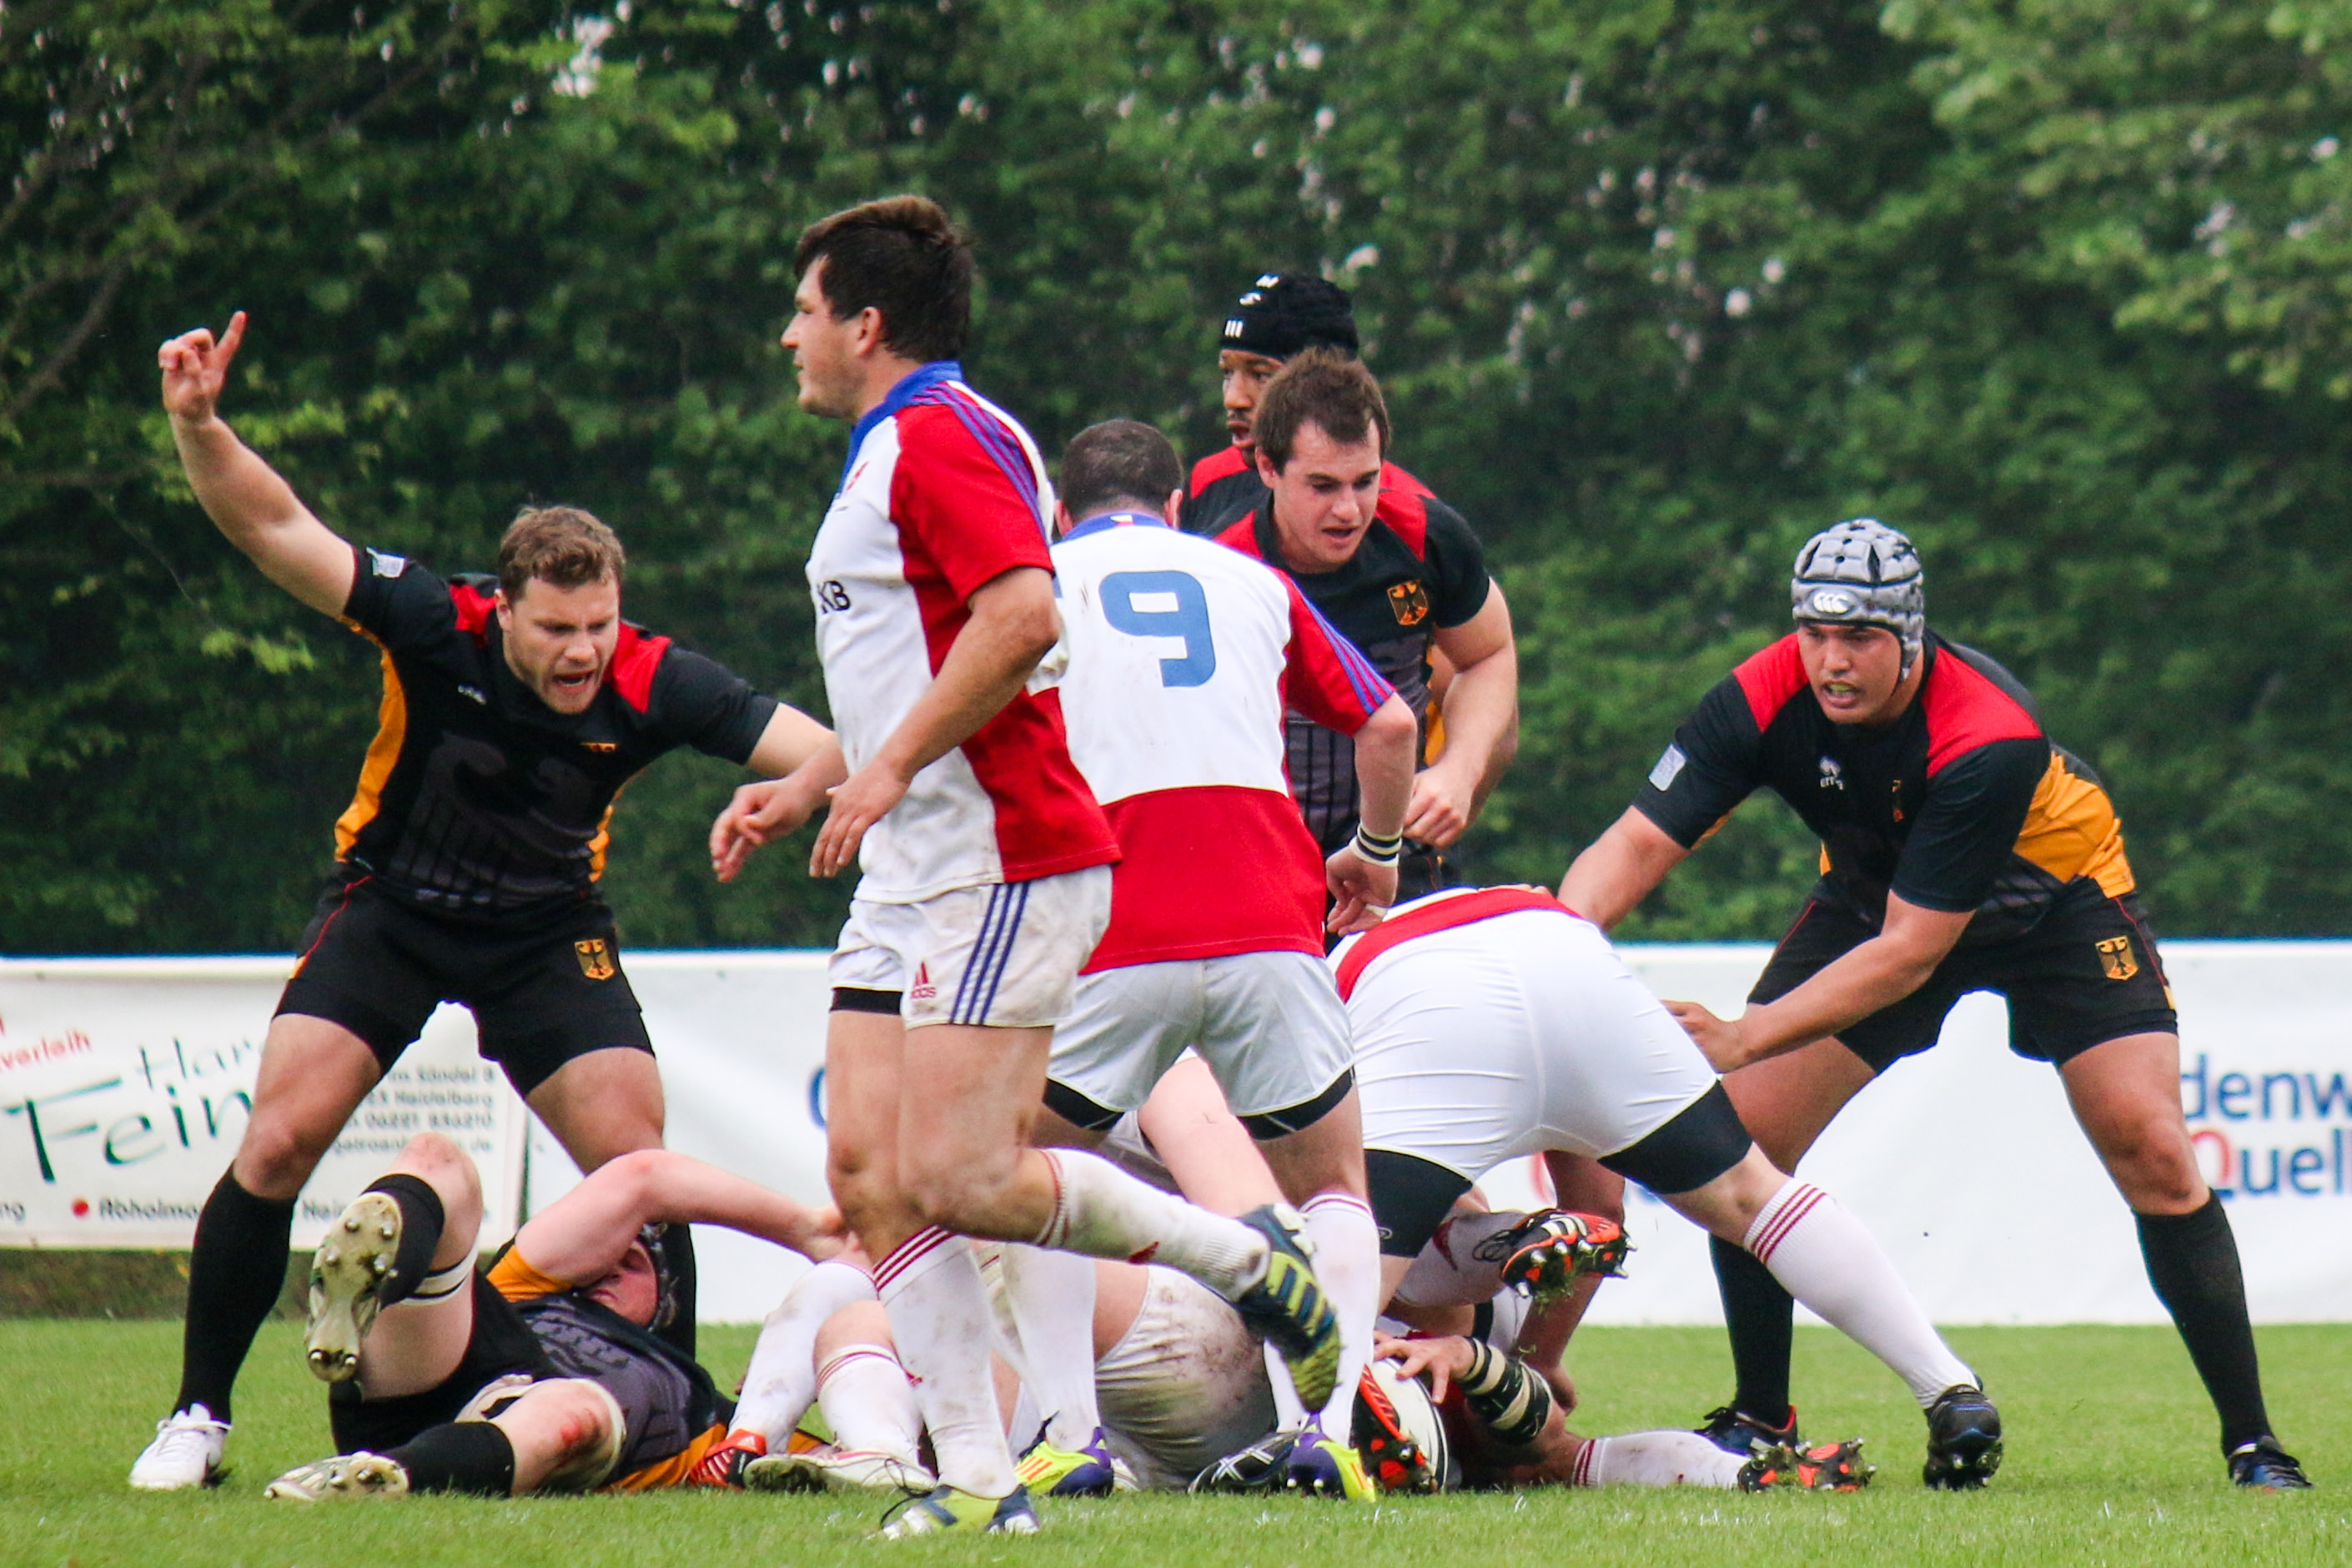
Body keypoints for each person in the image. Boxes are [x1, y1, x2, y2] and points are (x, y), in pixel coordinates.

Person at [131, 314, 845, 1492]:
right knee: (279, 1141)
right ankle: (197, 1418)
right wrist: (199, 424)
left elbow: (829, 745)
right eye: (556, 629)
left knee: (638, 1165)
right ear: (503, 608)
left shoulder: (655, 676)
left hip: (546, 931)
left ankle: (669, 1411)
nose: (581, 654)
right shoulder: (432, 622)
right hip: (393, 907)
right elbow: (275, 529)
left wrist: (796, 795)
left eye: (599, 627)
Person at [724, 195, 1344, 1538]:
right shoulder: (917, 438)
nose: (789, 336)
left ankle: (1247, 1260)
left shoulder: (936, 435)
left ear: (866, 325)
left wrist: (884, 771)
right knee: (869, 1179)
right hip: (912, 864)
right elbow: (918, 660)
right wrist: (820, 778)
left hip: (997, 858)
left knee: (967, 1177)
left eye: (804, 310)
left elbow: (1020, 617)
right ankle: (977, 1480)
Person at [1558, 518, 2309, 1492]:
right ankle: (1760, 1417)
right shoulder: (1760, 694)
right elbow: (1635, 841)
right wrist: (1560, 947)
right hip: (1876, 898)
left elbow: (1912, 953)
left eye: (1862, 636)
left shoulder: (1987, 731)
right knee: (1739, 1146)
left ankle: (2255, 1443)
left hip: (2052, 901)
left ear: (1912, 635)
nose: (1833, 660)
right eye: (1816, 633)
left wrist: (1745, 1034)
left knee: (2155, 1150)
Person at [1007, 418, 1416, 1500]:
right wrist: (1375, 854)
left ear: (1060, 513)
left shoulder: (1038, 584)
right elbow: (1388, 726)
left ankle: (1069, 1438)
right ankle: (1324, 1435)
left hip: (1115, 916)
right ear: (1180, 504)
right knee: (1332, 1183)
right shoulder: (1250, 580)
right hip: (1269, 914)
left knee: (1024, 1173)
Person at [1334, 884, 2006, 1489]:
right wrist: (1533, 1359)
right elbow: (1598, 1210)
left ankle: (1460, 1302)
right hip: (1552, 937)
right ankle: (1947, 1388)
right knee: (1750, 1194)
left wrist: (1501, 1364)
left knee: (1346, 1282)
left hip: (1415, 984)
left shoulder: (1312, 990)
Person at [259, 1132, 839, 1500]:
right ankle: (366, 1289)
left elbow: (853, 1458)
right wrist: (811, 1231)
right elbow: (642, 1177)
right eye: (605, 1253)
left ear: (668, 1294)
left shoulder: (704, 1409)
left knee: (572, 1410)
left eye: (631, 1263)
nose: (607, 1264)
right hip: (429, 1368)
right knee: (437, 1158)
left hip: (526, 1431)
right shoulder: (528, 1286)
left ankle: (384, 1477)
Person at [1210, 349, 1517, 900]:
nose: (1349, 510)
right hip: (1261, 870)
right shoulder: (1220, 567)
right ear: (1268, 468)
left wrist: (1460, 769)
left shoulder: (1426, 538)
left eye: (1365, 482)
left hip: (1395, 860)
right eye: (1323, 486)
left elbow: (1489, 655)